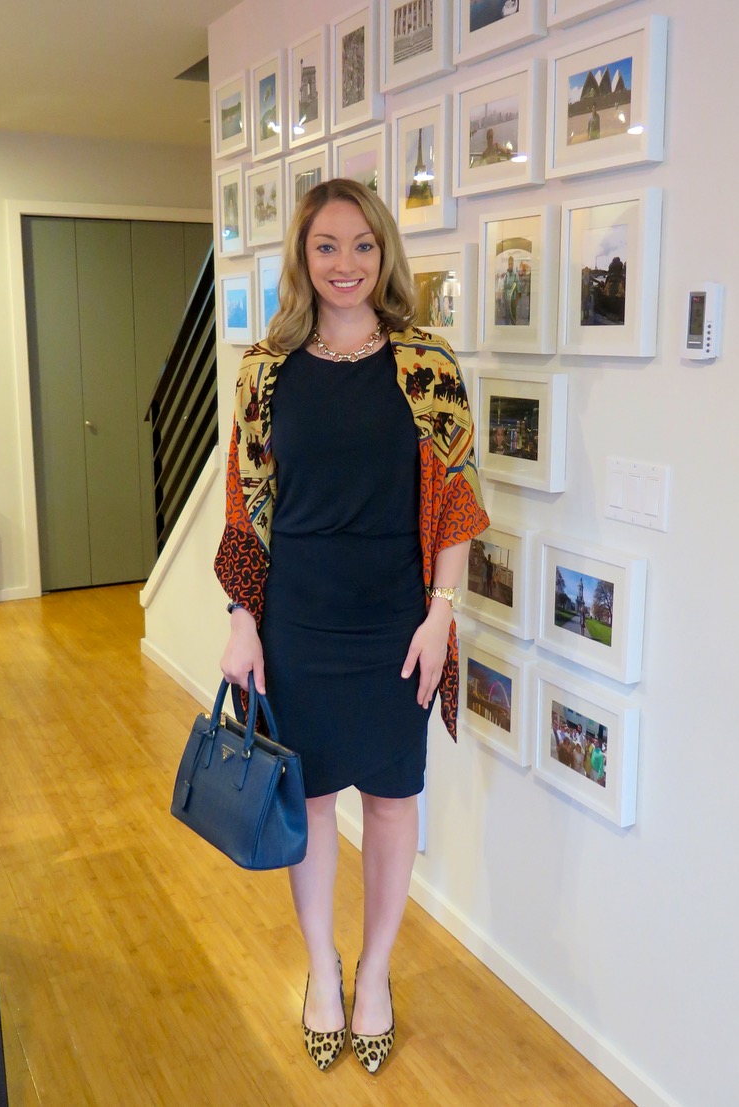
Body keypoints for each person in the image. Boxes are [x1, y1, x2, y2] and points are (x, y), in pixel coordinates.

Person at [214, 179, 489, 1075]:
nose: (344, 264)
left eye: (361, 245)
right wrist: (241, 621)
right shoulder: (264, 370)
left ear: (384, 255)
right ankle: (321, 971)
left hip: (393, 623)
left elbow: (454, 502)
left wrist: (440, 617)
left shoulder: (427, 366)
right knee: (312, 797)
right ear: (302, 256)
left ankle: (373, 973)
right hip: (296, 620)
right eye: (326, 246)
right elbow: (245, 508)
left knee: (392, 796)